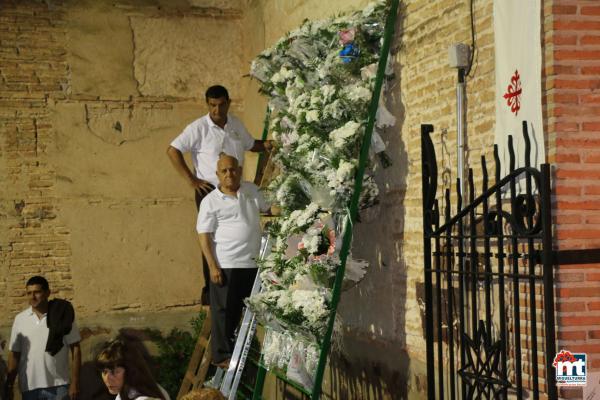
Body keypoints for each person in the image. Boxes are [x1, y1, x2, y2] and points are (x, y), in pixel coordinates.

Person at [167, 84, 272, 305]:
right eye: (212, 105)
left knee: (238, 235)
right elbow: (173, 150)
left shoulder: (235, 124)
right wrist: (192, 180)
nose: (217, 110)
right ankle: (212, 290)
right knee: (210, 239)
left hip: (237, 191)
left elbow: (252, 145)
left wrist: (271, 145)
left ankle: (242, 284)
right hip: (210, 192)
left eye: (221, 104)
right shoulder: (197, 128)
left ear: (228, 103)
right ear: (208, 105)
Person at [197, 153, 275, 368]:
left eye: (233, 169)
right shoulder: (210, 202)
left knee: (252, 310)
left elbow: (268, 209)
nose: (229, 174)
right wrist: (213, 266)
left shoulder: (251, 191)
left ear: (239, 171)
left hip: (253, 264)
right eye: (224, 171)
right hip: (226, 265)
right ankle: (221, 356)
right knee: (224, 312)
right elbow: (203, 237)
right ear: (217, 175)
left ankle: (253, 351)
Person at [4, 276, 81, 400]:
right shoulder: (20, 319)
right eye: (29, 293)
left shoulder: (62, 314)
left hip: (59, 386)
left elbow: (75, 348)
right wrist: (9, 385)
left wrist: (75, 382)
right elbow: (14, 354)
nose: (32, 297)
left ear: (47, 293)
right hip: (29, 388)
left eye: (37, 292)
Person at [96, 339, 170, 400]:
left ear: (131, 371)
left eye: (114, 371)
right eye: (104, 371)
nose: (107, 378)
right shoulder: (122, 395)